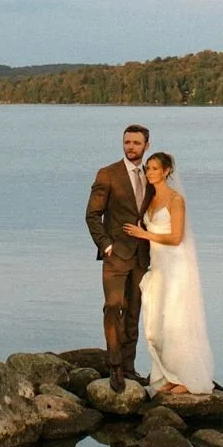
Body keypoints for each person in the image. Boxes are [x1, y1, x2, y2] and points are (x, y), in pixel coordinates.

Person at [124, 151, 215, 396]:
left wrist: (145, 234)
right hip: (159, 267)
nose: (150, 172)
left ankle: (187, 377)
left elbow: (176, 237)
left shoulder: (176, 200)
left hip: (176, 267)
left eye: (155, 168)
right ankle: (169, 374)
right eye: (148, 168)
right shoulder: (150, 199)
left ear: (166, 171)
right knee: (157, 323)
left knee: (177, 320)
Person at [85, 124, 155, 388]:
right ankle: (114, 366)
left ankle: (129, 367)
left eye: (136, 143)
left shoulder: (152, 175)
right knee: (113, 307)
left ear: (146, 145)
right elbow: (92, 215)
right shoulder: (108, 174)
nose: (131, 147)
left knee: (134, 311)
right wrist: (106, 245)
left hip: (142, 256)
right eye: (127, 142)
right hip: (115, 255)